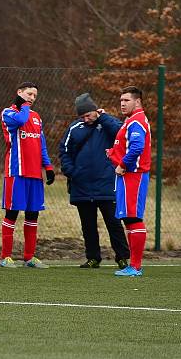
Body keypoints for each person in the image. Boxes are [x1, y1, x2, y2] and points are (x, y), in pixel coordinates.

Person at [58, 93, 130, 269]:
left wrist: (103, 117)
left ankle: (122, 257)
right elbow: (64, 151)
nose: (86, 119)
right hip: (82, 186)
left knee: (113, 223)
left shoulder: (107, 123)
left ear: (95, 110)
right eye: (82, 116)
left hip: (105, 184)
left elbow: (121, 132)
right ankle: (93, 257)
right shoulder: (75, 128)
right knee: (88, 225)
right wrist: (72, 172)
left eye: (88, 115)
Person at [0, 81, 54, 269]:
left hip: (34, 174)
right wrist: (22, 106)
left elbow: (42, 144)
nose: (32, 98)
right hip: (16, 172)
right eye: (29, 94)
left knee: (33, 214)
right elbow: (21, 120)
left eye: (34, 96)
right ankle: (5, 257)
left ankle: (29, 257)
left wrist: (48, 166)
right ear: (19, 92)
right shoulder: (9, 113)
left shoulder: (36, 117)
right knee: (12, 213)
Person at [107, 86, 151, 277]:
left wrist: (122, 164)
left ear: (137, 102)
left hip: (133, 175)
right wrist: (113, 153)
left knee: (133, 218)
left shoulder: (137, 121)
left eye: (127, 100)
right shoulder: (131, 120)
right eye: (121, 100)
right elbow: (127, 145)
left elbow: (137, 147)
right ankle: (133, 265)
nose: (123, 103)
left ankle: (136, 266)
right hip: (128, 176)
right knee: (128, 219)